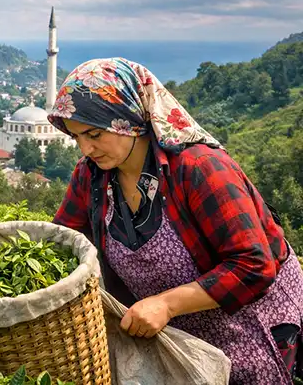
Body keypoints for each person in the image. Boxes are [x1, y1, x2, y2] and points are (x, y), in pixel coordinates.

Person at [48, 57, 303, 384]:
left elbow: (253, 264)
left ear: (129, 119)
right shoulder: (92, 177)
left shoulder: (199, 169)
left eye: (95, 134)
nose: (86, 147)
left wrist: (167, 304)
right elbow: (61, 241)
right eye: (76, 137)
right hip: (175, 328)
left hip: (245, 317)